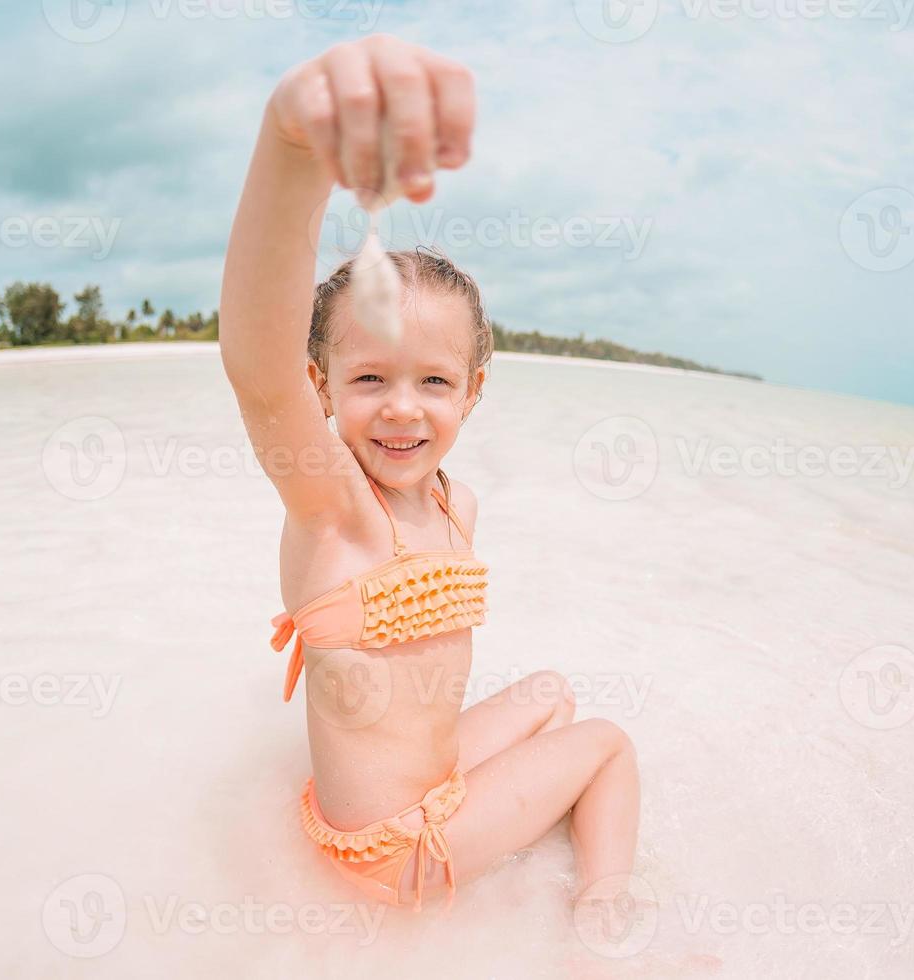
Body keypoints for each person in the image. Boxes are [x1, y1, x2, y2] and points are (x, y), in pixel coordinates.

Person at [219, 33, 641, 921]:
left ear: (474, 391)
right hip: (395, 855)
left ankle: (518, 857)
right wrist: (293, 147)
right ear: (321, 387)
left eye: (434, 382)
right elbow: (255, 360)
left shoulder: (458, 504)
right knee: (605, 743)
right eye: (369, 378)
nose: (403, 409)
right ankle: (605, 920)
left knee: (552, 693)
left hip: (428, 788)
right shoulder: (336, 511)